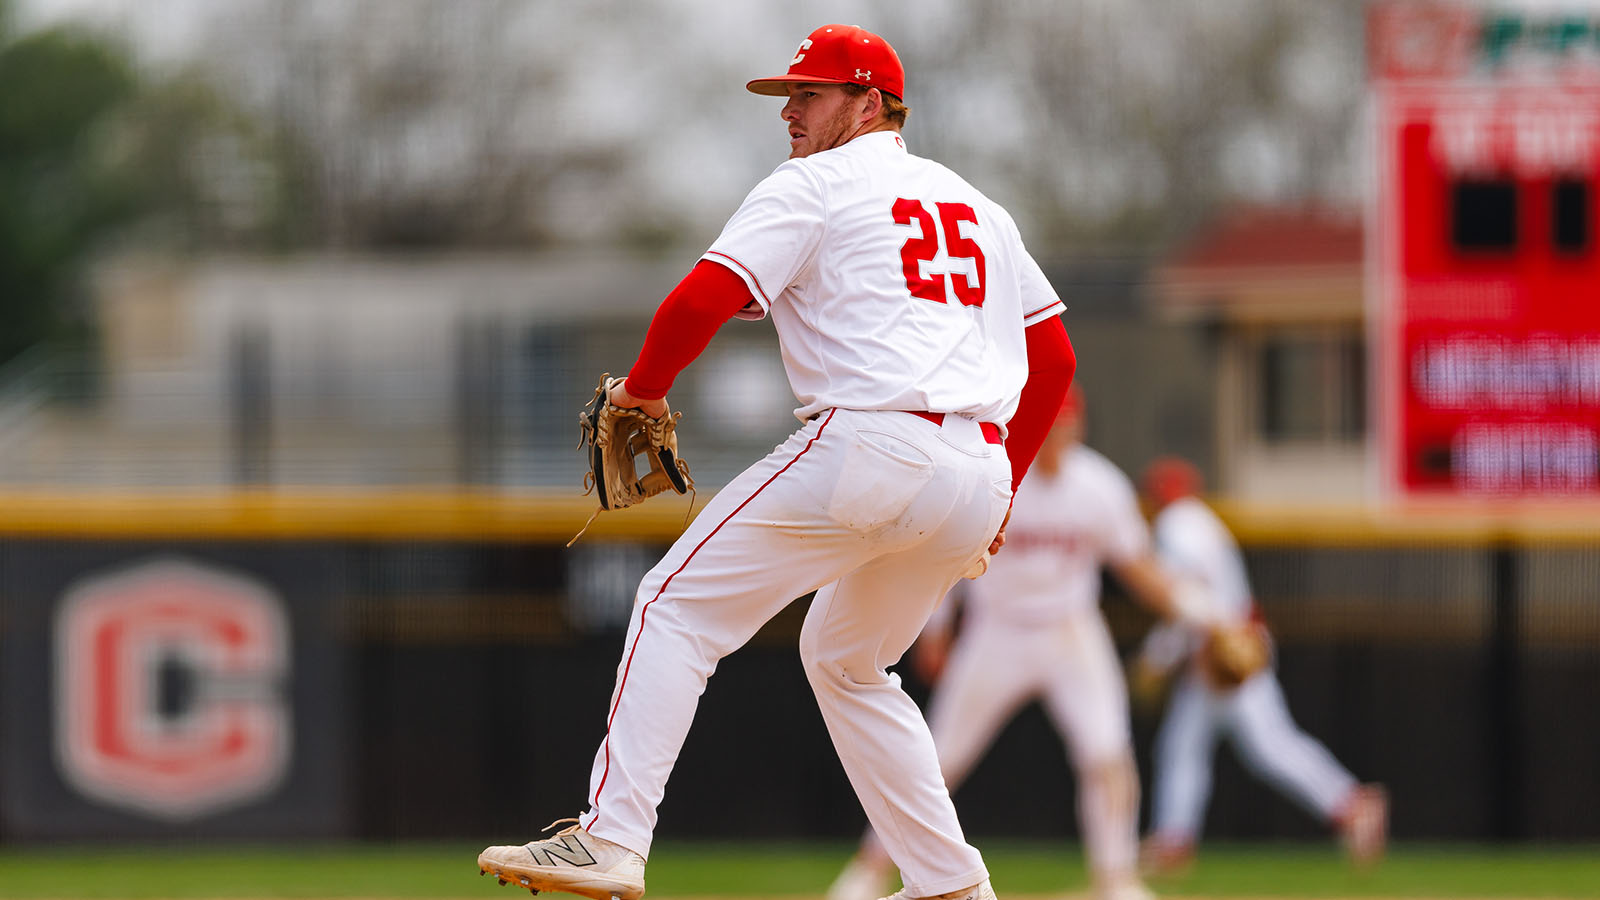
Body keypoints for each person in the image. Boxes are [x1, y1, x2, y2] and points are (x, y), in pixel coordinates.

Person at [477, 24, 1079, 900]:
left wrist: (642, 392)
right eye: (787, 95)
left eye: (812, 93)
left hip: (873, 444)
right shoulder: (982, 208)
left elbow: (705, 296)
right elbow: (1054, 358)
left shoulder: (817, 184)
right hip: (979, 472)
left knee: (673, 606)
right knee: (847, 660)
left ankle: (611, 839)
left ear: (870, 103)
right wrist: (1008, 495)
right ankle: (953, 887)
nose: (791, 111)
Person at [827, 387, 1217, 900]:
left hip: (1071, 631)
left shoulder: (1097, 484)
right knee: (937, 759)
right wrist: (938, 627)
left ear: (1080, 428)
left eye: (1068, 425)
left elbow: (1140, 567)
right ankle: (871, 867)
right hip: (998, 631)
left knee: (1106, 752)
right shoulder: (998, 474)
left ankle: (1117, 878)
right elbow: (946, 553)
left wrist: (1209, 615)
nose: (1060, 435)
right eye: (1052, 425)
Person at [1131, 457, 1388, 876]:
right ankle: (1174, 841)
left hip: (1226, 651)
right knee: (1187, 747)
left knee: (1265, 747)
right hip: (1226, 646)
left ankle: (1353, 804)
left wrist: (1157, 655)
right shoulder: (1203, 520)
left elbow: (1186, 598)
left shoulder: (1177, 525)